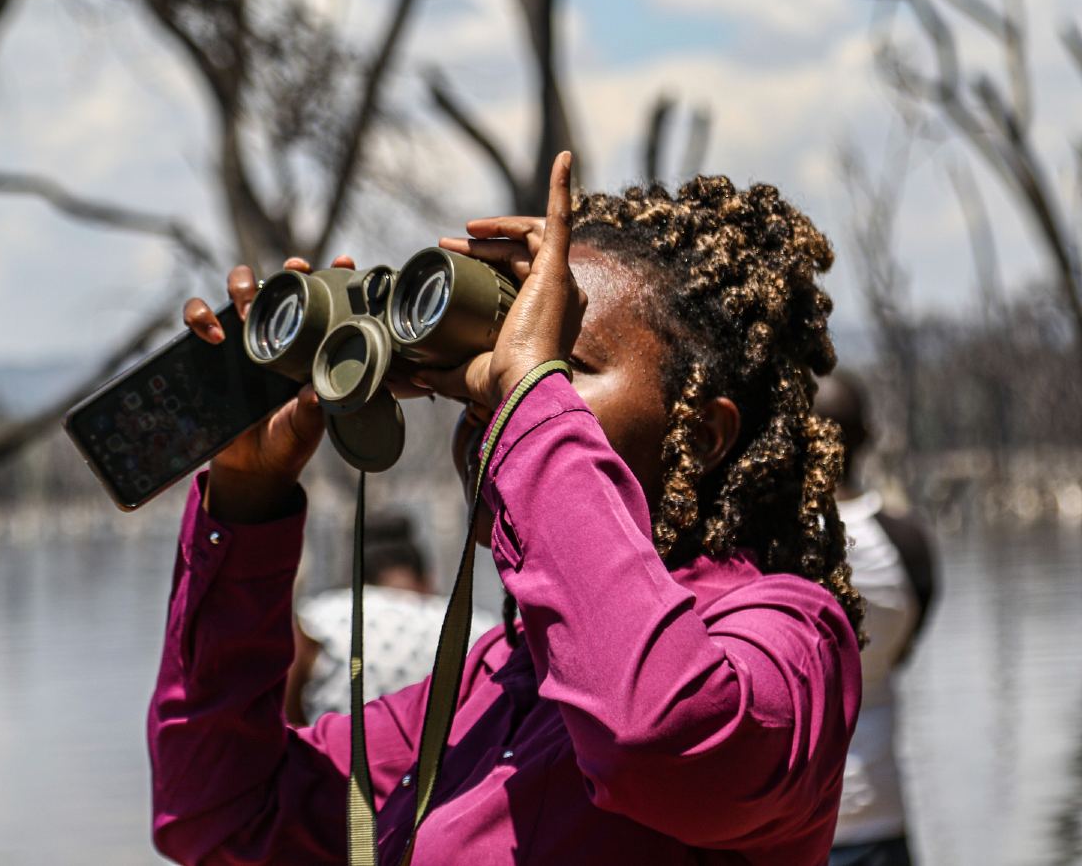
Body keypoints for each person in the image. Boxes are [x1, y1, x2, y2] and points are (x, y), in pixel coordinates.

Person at [149, 153, 863, 864]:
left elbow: (655, 734)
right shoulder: (494, 682)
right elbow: (223, 815)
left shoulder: (789, 642)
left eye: (560, 366)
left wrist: (529, 397)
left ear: (702, 434)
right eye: (493, 365)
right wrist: (247, 497)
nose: (494, 395)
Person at [815, 371, 937, 866]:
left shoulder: (774, 543)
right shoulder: (907, 542)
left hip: (796, 825)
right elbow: (905, 649)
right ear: (867, 435)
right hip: (883, 813)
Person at [283, 514, 500, 725]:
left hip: (341, 755)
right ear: (427, 578)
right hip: (455, 757)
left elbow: (285, 715)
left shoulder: (320, 619)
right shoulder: (479, 627)